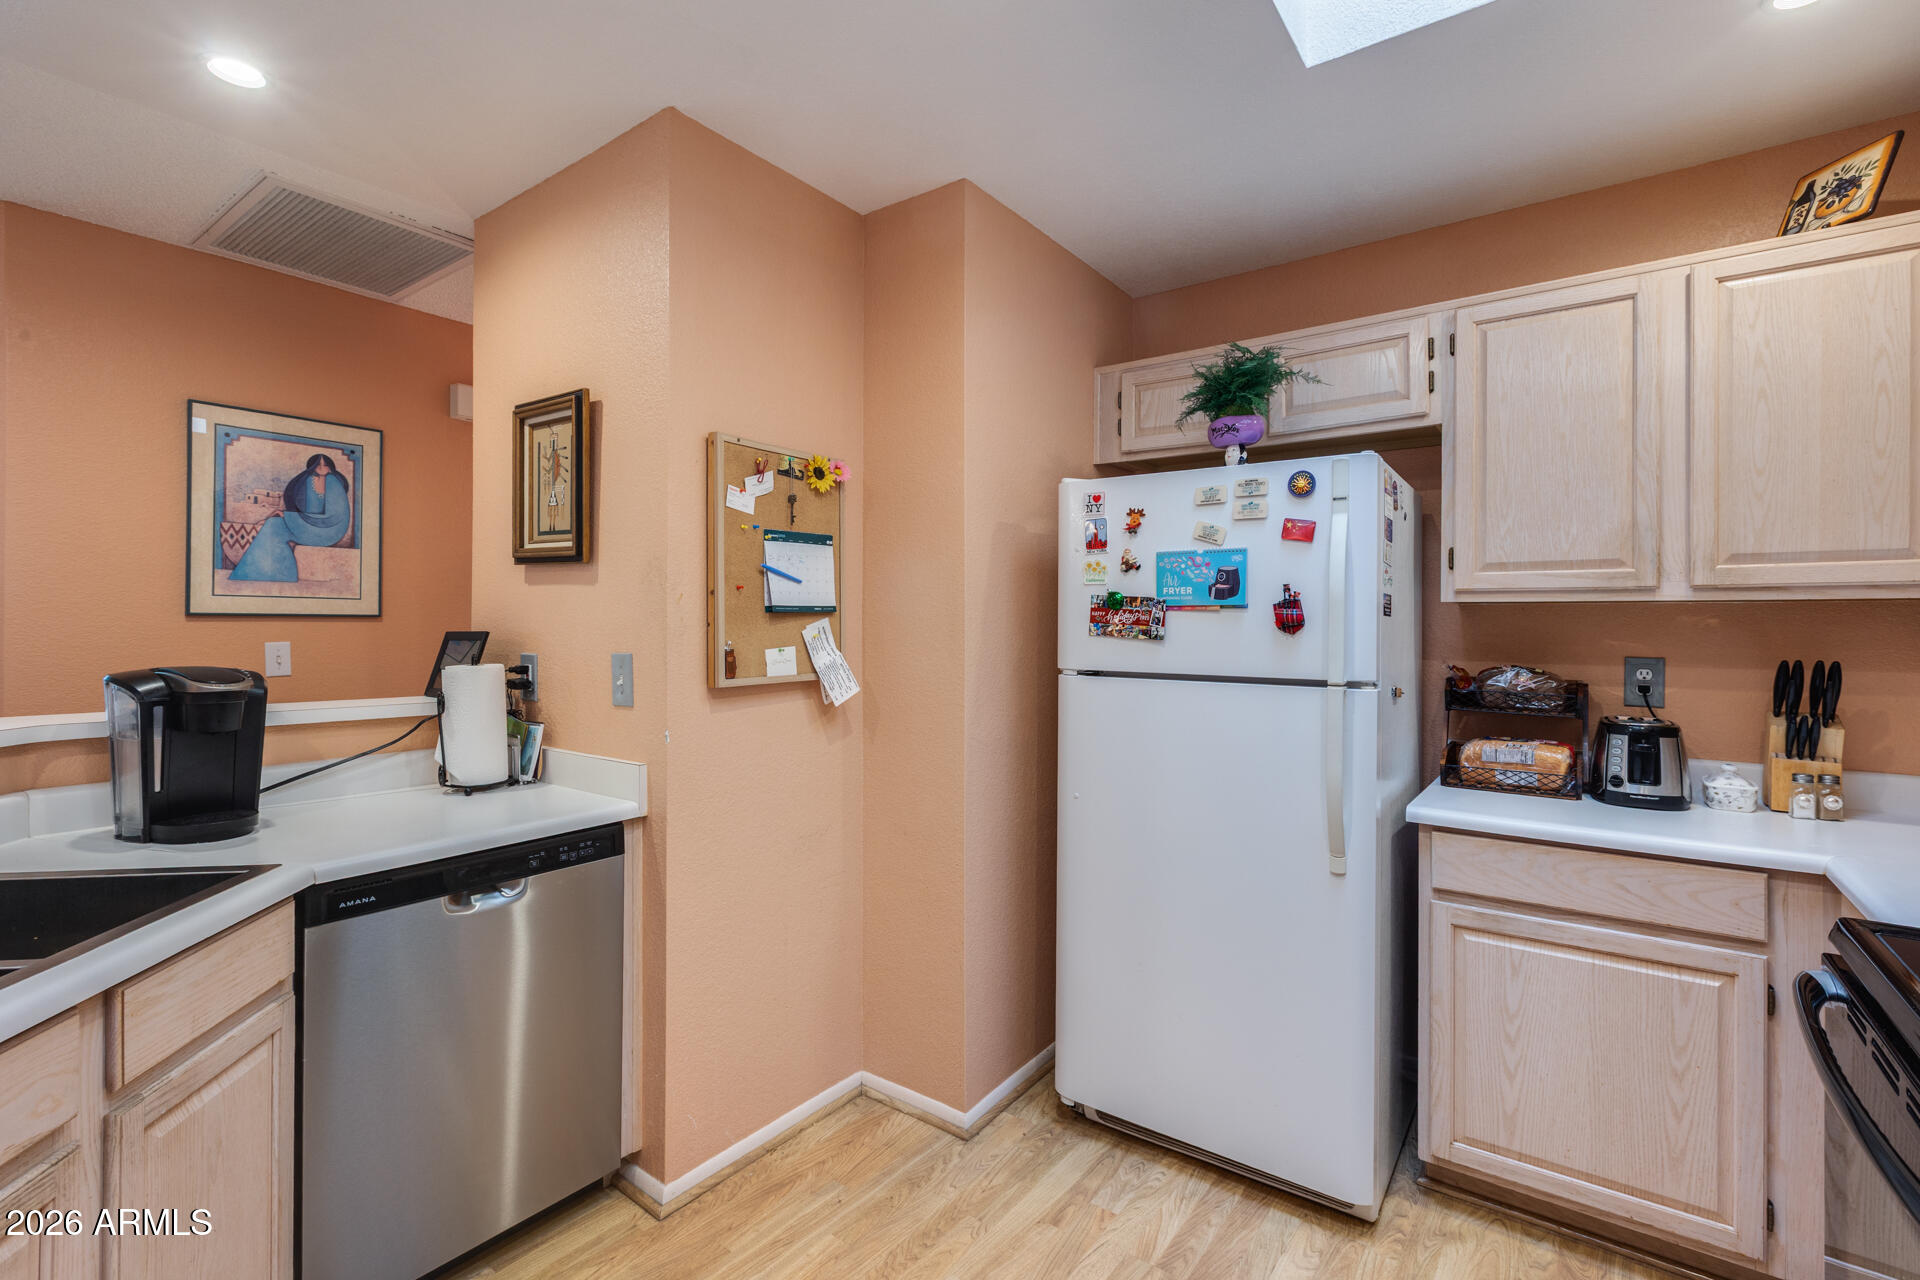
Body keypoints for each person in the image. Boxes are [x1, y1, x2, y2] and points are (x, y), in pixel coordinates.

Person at [229, 453, 352, 582]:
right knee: (273, 524)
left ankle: (279, 574)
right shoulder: (308, 480)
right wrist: (284, 515)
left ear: (331, 467)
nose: (321, 467)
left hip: (328, 529)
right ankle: (267, 573)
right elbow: (302, 508)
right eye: (318, 464)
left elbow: (333, 516)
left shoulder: (333, 481)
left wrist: (288, 516)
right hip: (306, 525)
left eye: (325, 464)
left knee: (275, 524)